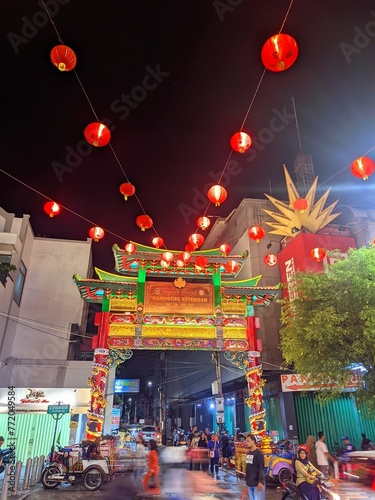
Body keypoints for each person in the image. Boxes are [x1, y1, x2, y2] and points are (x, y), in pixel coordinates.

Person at [245, 434, 265, 500]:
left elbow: (261, 468)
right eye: (246, 441)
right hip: (250, 483)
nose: (246, 443)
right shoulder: (248, 453)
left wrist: (261, 482)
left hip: (257, 484)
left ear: (253, 441)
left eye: (248, 441)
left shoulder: (259, 454)